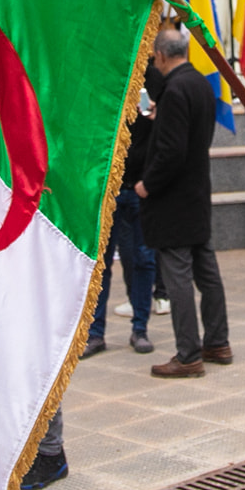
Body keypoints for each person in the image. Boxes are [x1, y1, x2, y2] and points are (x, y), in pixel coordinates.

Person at [139, 26, 227, 378]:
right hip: (196, 191)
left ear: (161, 55)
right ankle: (218, 341)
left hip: (173, 198)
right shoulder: (201, 83)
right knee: (207, 272)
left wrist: (147, 184)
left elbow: (171, 151)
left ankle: (188, 353)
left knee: (177, 277)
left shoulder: (175, 89)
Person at [84, 87, 157, 359]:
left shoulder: (154, 78)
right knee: (100, 264)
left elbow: (164, 136)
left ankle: (140, 328)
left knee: (142, 259)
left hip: (139, 189)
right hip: (107, 192)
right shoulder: (104, 77)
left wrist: (153, 116)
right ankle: (94, 333)